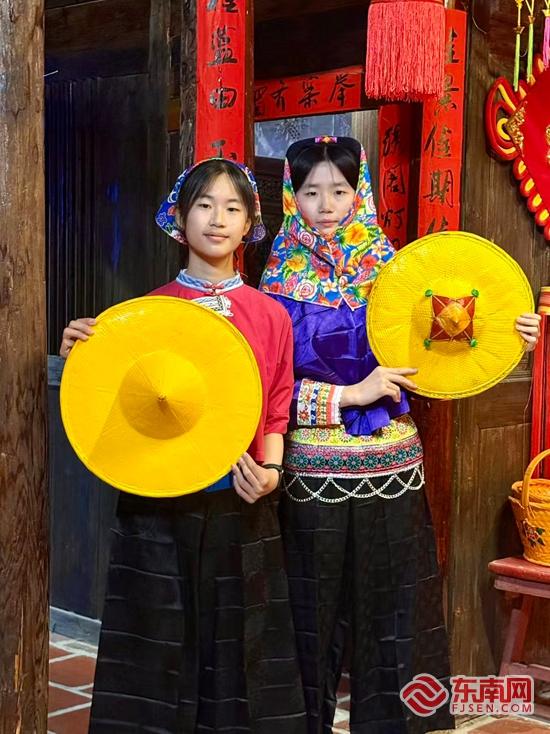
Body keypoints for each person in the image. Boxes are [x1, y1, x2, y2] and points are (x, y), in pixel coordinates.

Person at [260, 135, 541, 734]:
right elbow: (267, 387)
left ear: (359, 193)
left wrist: (510, 336)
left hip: (392, 466)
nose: (326, 205)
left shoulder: (397, 271)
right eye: (310, 192)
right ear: (290, 197)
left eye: (340, 191)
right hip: (309, 469)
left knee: (397, 613)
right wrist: (348, 396)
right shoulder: (275, 279)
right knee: (305, 614)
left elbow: (452, 341)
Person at [60, 158, 307, 734]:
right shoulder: (146, 313)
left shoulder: (271, 315)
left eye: (232, 208)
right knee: (154, 636)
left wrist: (271, 472)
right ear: (180, 217)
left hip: (241, 495)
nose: (217, 219)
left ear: (250, 224)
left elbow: (277, 401)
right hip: (156, 498)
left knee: (240, 640)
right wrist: (85, 355)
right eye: (204, 205)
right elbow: (111, 397)